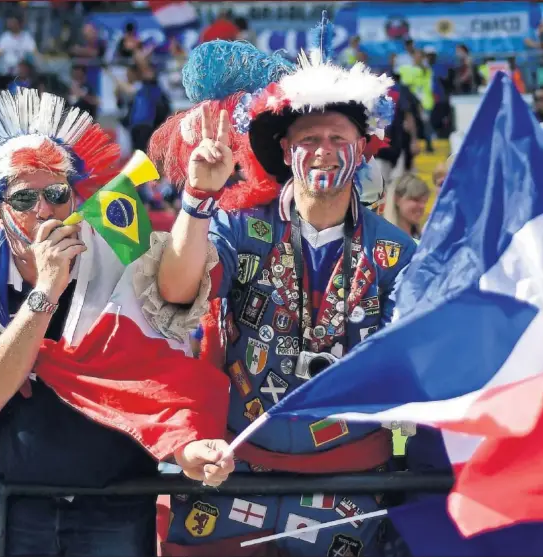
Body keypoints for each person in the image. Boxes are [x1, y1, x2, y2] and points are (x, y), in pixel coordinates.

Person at [156, 26, 415, 556]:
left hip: (346, 482)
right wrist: (201, 195)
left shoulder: (394, 251)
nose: (323, 152)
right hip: (237, 469)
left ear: (362, 149)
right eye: (309, 140)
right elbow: (176, 291)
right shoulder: (238, 226)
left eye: (338, 139)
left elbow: (417, 347)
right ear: (285, 149)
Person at [0, 88, 233, 556]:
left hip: (117, 503)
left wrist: (199, 198)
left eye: (56, 193)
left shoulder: (112, 243)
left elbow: (177, 287)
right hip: (15, 504)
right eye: (25, 197)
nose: (44, 209)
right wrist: (45, 291)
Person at [383, 172, 431, 240]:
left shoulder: (424, 239)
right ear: (397, 199)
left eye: (424, 201)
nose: (422, 206)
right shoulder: (382, 237)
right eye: (416, 200)